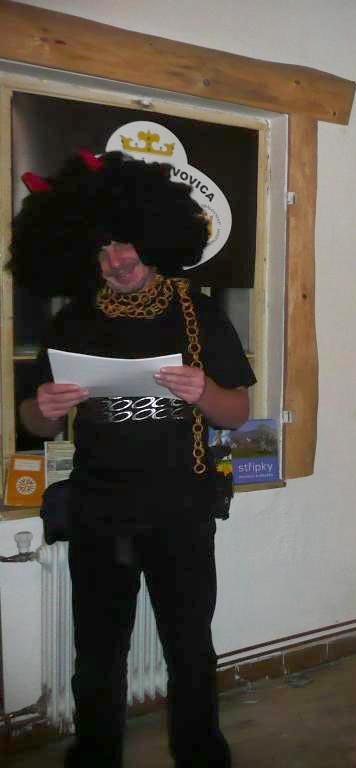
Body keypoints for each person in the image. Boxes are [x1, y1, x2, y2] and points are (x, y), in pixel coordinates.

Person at [9, 150, 256, 768]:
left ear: (152, 236)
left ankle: (201, 757)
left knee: (190, 650)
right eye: (100, 249)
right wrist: (43, 407)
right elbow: (34, 421)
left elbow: (236, 413)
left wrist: (205, 391)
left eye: (124, 243)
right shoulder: (73, 322)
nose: (115, 260)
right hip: (99, 512)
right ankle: (95, 756)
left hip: (181, 511)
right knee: (96, 655)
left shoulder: (200, 314)